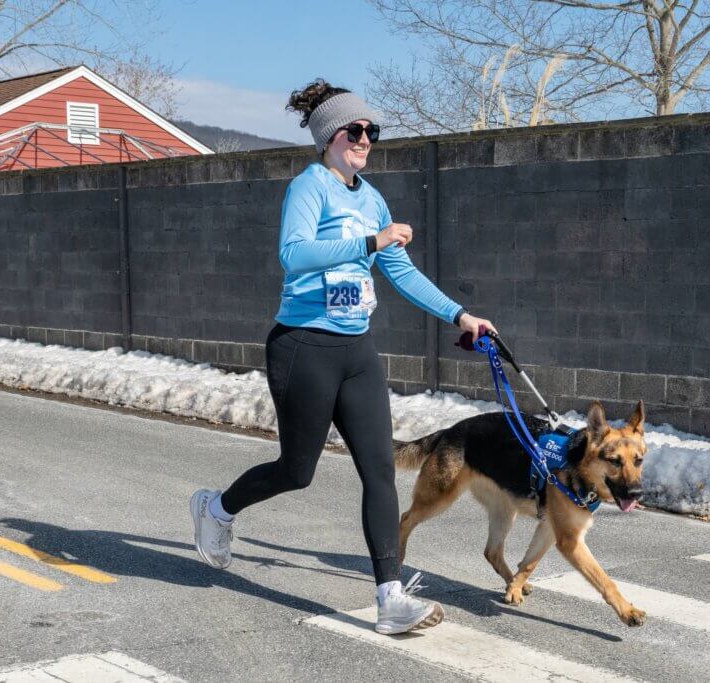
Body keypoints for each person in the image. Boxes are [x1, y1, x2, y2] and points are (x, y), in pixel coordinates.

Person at [190, 79, 495, 635]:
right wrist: (368, 243)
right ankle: (216, 509)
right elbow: (294, 254)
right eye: (355, 130)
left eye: (371, 132)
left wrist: (460, 315)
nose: (365, 139)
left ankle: (389, 598)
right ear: (329, 135)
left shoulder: (370, 197)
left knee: (379, 469)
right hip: (303, 345)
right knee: (296, 470)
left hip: (356, 349)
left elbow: (401, 272)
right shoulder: (310, 187)